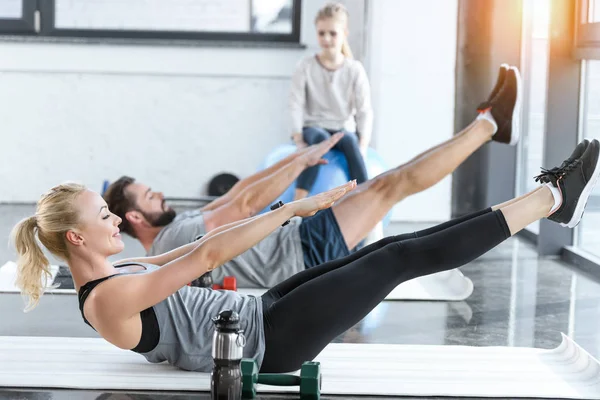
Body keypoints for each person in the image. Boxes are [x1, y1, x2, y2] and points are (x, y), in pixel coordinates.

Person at [12, 138, 600, 374]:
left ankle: (549, 196)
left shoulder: (118, 273)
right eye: (106, 216)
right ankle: (551, 200)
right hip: (272, 343)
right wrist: (291, 212)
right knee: (397, 262)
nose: (117, 221)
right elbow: (208, 253)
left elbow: (195, 247)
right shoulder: (109, 301)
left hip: (263, 312)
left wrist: (285, 209)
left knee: (392, 248)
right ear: (77, 239)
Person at [104, 65, 523, 289]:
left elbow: (237, 191)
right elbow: (245, 205)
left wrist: (300, 157)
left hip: (300, 240)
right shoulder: (172, 241)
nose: (159, 193)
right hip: (301, 252)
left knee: (390, 181)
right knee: (390, 186)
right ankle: (489, 126)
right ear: (135, 218)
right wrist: (300, 163)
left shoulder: (176, 228)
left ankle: (486, 121)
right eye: (148, 196)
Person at [289, 2, 373, 200]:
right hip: (314, 128)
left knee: (350, 141)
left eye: (332, 33)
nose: (326, 39)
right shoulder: (305, 66)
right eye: (321, 33)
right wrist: (298, 138)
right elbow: (295, 103)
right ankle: (297, 205)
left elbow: (364, 110)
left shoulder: (354, 69)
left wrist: (363, 144)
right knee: (319, 141)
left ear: (344, 33)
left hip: (343, 129)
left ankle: (367, 202)